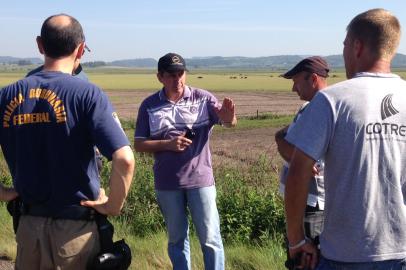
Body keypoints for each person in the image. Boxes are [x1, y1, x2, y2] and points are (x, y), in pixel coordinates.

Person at [0, 14, 135, 269]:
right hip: (74, 236)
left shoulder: (6, 95)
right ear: (80, 49)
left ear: (40, 45)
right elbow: (125, 159)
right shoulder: (87, 94)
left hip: (28, 230)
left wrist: (4, 192)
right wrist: (113, 205)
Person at [284, 8, 406, 270]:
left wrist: (296, 242)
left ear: (357, 46)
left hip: (345, 254)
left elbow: (298, 171)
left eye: (344, 45)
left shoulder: (332, 100)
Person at [134, 52, 237, 270]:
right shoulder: (149, 105)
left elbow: (228, 122)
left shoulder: (203, 98)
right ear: (160, 77)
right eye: (171, 75)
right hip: (168, 183)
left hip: (201, 181)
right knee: (177, 240)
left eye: (181, 73)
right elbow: (139, 144)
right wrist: (167, 145)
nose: (177, 79)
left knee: (210, 239)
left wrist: (229, 118)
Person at [275, 56, 329, 269]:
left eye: (296, 81)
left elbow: (286, 145)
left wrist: (283, 142)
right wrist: (281, 140)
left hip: (311, 201)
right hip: (305, 200)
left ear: (313, 79)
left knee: (305, 260)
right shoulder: (308, 109)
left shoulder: (320, 110)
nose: (293, 89)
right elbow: (282, 140)